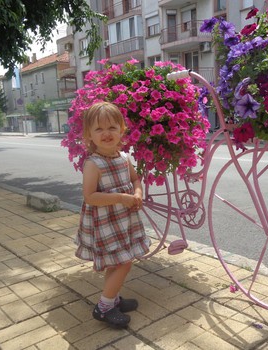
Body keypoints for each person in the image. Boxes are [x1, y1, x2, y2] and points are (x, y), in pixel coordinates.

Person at [75, 101, 150, 329]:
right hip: (106, 222)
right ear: (89, 134)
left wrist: (137, 192)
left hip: (124, 220)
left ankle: (114, 298)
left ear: (122, 130)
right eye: (99, 129)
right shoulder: (93, 163)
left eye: (112, 128)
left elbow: (135, 179)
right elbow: (90, 196)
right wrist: (121, 198)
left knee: (114, 263)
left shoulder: (124, 158)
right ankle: (104, 306)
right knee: (124, 263)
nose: (106, 133)